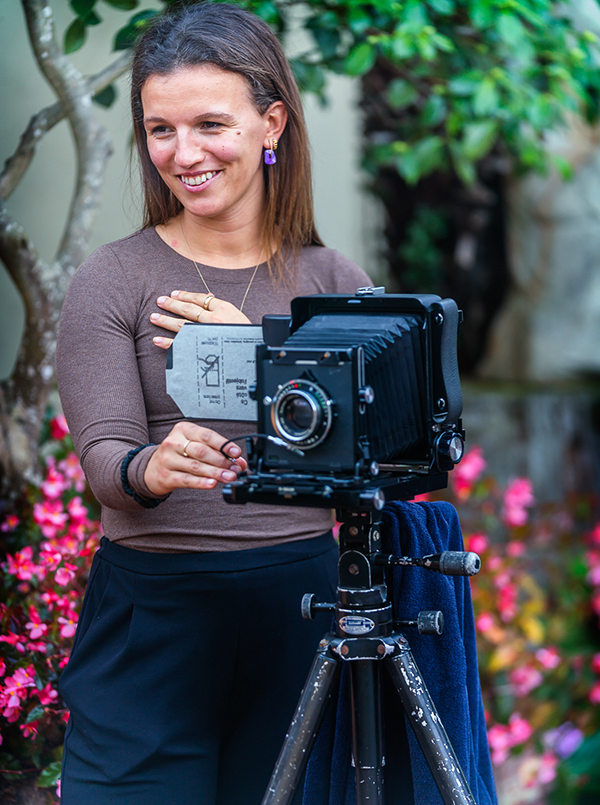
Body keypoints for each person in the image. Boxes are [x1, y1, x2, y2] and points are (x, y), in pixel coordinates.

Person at [56, 3, 372, 804]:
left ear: (271, 124)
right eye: (159, 129)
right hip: (152, 618)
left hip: (301, 615)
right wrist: (154, 465)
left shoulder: (334, 282)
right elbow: (105, 461)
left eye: (208, 124)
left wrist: (266, 350)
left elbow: (394, 448)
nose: (182, 153)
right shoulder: (111, 279)